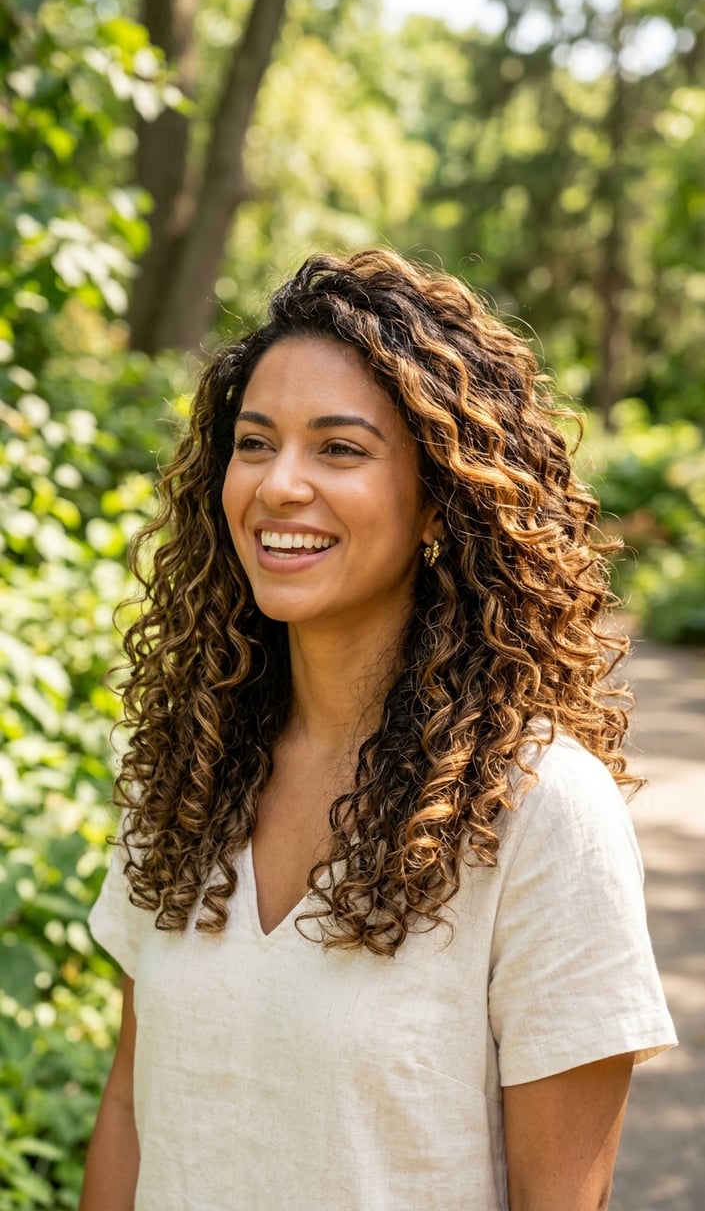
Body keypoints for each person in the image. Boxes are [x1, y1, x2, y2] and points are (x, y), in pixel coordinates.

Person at [81, 248, 676, 1211]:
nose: (279, 485)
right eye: (255, 441)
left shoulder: (539, 812)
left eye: (340, 449)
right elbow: (131, 1112)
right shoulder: (182, 772)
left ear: (440, 498)